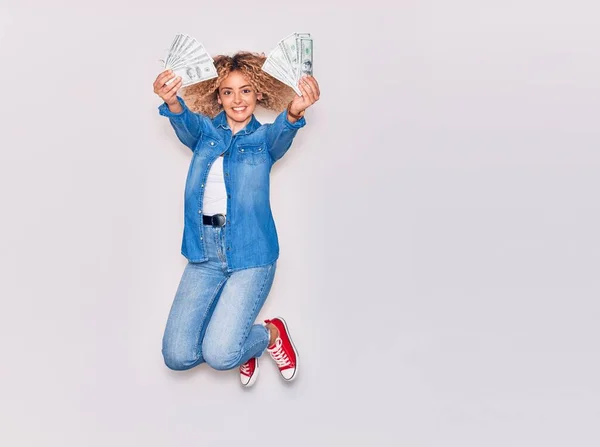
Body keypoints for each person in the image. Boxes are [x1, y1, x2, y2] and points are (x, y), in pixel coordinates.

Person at [152, 51, 320, 387]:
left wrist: (296, 110)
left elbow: (284, 130)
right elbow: (183, 119)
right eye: (228, 91)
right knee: (177, 355)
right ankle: (243, 345)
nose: (237, 99)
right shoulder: (204, 133)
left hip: (251, 255)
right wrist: (171, 100)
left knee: (219, 355)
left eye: (245, 90)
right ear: (218, 96)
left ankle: (270, 335)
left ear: (258, 93)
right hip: (205, 254)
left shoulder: (264, 140)